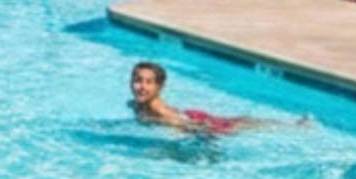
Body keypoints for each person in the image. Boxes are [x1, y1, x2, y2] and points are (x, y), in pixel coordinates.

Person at [127, 60, 305, 136]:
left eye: (148, 82)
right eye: (137, 81)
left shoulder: (161, 112)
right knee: (241, 120)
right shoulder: (136, 104)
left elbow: (190, 129)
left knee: (239, 126)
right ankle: (293, 124)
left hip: (196, 121)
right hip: (189, 114)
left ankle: (293, 127)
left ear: (160, 86)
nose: (141, 87)